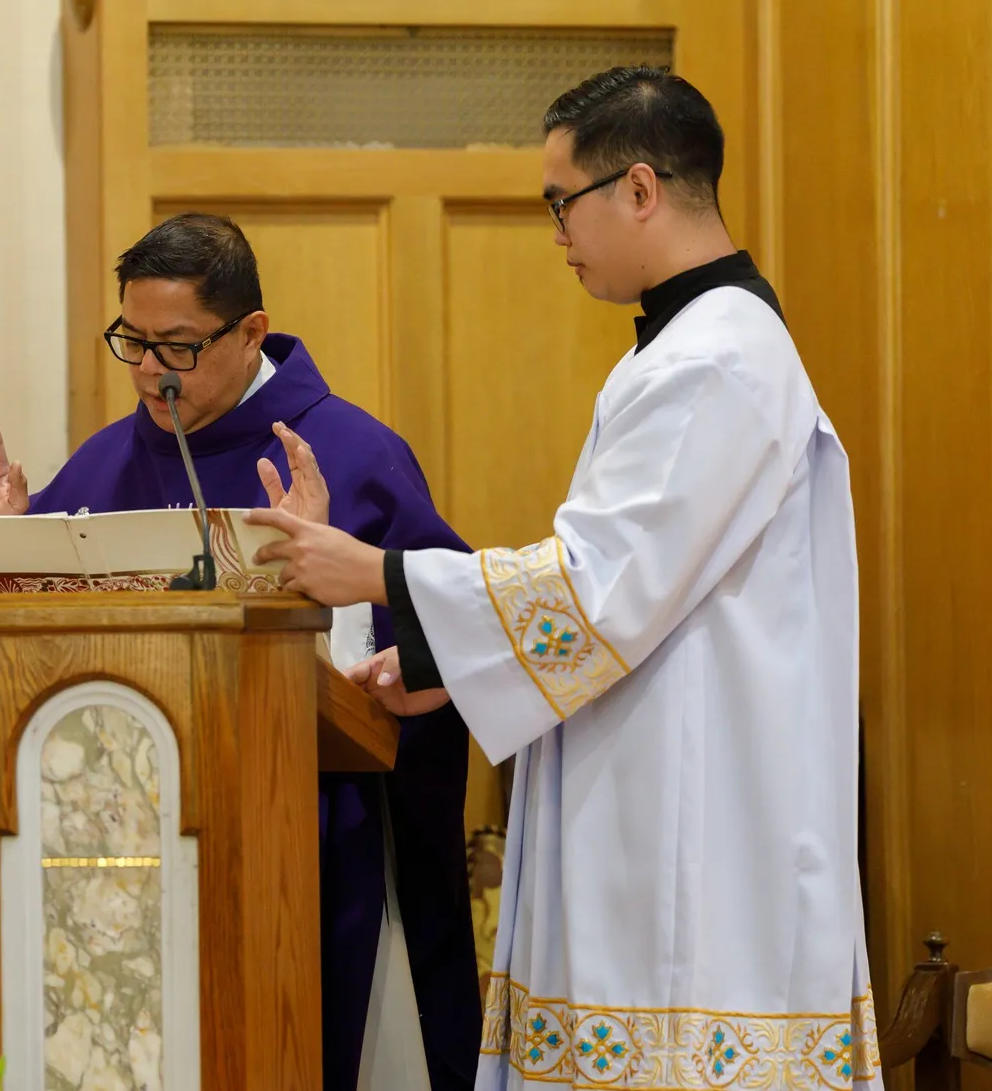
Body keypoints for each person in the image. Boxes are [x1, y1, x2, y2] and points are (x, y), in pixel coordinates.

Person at [248, 67, 880, 1090]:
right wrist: (445, 660)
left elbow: (596, 590)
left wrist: (372, 572)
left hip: (691, 832)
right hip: (654, 781)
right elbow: (632, 594)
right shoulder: (688, 351)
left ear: (636, 190)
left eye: (558, 203)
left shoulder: (714, 358)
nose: (554, 233)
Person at [0, 213, 481, 1090]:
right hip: (113, 854)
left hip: (300, 846)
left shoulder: (353, 453)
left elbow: (449, 641)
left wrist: (320, 602)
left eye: (179, 346)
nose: (150, 370)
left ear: (251, 332)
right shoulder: (103, 461)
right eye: (133, 341)